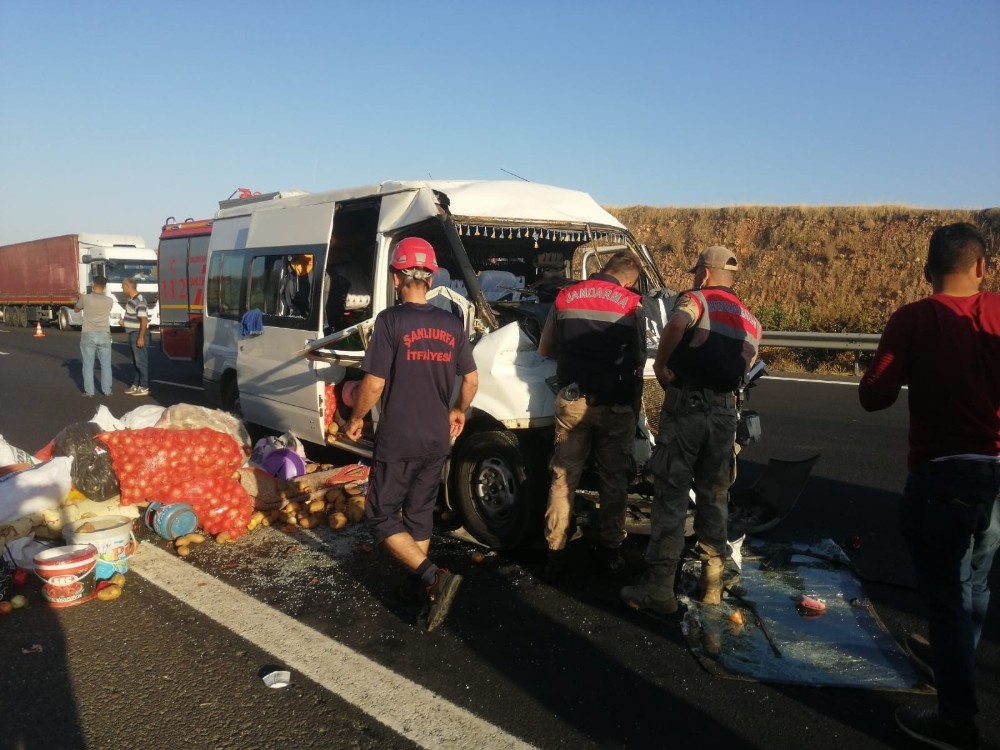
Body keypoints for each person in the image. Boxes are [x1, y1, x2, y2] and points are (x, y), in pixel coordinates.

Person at [859, 222, 999, 750]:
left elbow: (874, 396)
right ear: (982, 267)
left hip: (943, 476)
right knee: (976, 584)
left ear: (927, 271)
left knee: (944, 595)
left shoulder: (913, 319)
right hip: (997, 476)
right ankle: (953, 659)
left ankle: (957, 719)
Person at [344, 237, 478, 632]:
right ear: (430, 276)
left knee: (381, 515)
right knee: (419, 516)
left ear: (398, 277)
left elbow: (372, 382)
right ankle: (418, 590)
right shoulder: (452, 324)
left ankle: (432, 575)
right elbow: (470, 379)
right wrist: (459, 410)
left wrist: (356, 417)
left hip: (399, 437)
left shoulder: (391, 321)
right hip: (436, 437)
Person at [621, 245, 761, 614]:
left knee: (671, 494)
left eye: (697, 270)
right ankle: (712, 585)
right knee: (715, 496)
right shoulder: (749, 317)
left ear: (704, 272)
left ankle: (659, 589)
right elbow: (748, 362)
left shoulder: (695, 299)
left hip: (687, 407)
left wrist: (663, 364)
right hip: (724, 412)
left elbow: (676, 325)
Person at [536, 251, 644, 580]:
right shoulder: (630, 303)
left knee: (563, 477)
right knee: (615, 480)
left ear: (604, 269)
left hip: (573, 401)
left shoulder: (566, 296)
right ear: (629, 280)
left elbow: (545, 349)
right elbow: (639, 357)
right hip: (616, 405)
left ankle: (555, 551)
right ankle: (611, 551)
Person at [73, 275, 114, 397]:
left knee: (88, 363)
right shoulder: (109, 300)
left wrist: (80, 298)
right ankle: (107, 390)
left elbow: (76, 309)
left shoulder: (85, 298)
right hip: (104, 333)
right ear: (105, 287)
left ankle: (89, 391)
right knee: (106, 363)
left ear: (93, 285)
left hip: (88, 333)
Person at [121, 277, 151, 396]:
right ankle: (136, 384)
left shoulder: (139, 301)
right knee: (135, 361)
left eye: (123, 286)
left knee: (140, 361)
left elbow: (144, 320)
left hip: (137, 333)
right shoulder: (132, 300)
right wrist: (125, 323)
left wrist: (141, 337)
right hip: (132, 333)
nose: (121, 288)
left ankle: (144, 386)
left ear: (128, 287)